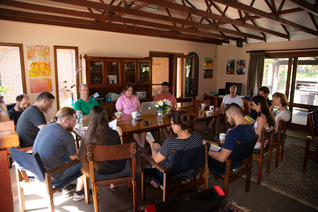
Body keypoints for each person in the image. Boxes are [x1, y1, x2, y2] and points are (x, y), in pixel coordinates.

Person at [32, 107, 86, 201]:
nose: (75, 123)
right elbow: (74, 158)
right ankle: (79, 192)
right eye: (74, 121)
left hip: (38, 172)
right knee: (85, 161)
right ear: (65, 120)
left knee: (65, 156)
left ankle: (67, 188)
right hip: (52, 175)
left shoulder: (46, 127)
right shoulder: (66, 135)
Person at [145, 110, 202, 188]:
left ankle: (158, 181)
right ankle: (155, 182)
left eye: (171, 124)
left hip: (171, 175)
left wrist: (151, 143)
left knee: (155, 147)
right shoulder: (197, 136)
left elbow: (155, 160)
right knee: (158, 146)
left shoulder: (170, 142)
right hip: (191, 172)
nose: (171, 126)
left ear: (177, 126)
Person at [80, 106, 128, 190]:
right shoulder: (114, 134)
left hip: (97, 170)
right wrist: (120, 135)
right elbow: (121, 153)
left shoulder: (86, 136)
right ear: (105, 117)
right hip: (117, 167)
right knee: (113, 155)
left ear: (91, 118)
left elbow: (82, 156)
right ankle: (113, 183)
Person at [208, 103, 255, 173]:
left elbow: (221, 158)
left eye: (228, 117)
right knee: (209, 143)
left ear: (233, 114)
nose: (227, 120)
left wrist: (206, 150)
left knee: (200, 152)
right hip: (239, 161)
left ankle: (199, 177)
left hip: (225, 165)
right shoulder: (251, 128)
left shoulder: (233, 133)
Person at [116, 85, 147, 152]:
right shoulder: (120, 99)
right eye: (128, 90)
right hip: (126, 119)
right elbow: (119, 112)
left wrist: (139, 112)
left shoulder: (135, 97)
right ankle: (142, 146)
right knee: (134, 130)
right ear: (125, 91)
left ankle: (142, 145)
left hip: (136, 117)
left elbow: (139, 108)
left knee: (144, 128)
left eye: (131, 90)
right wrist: (129, 115)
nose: (130, 92)